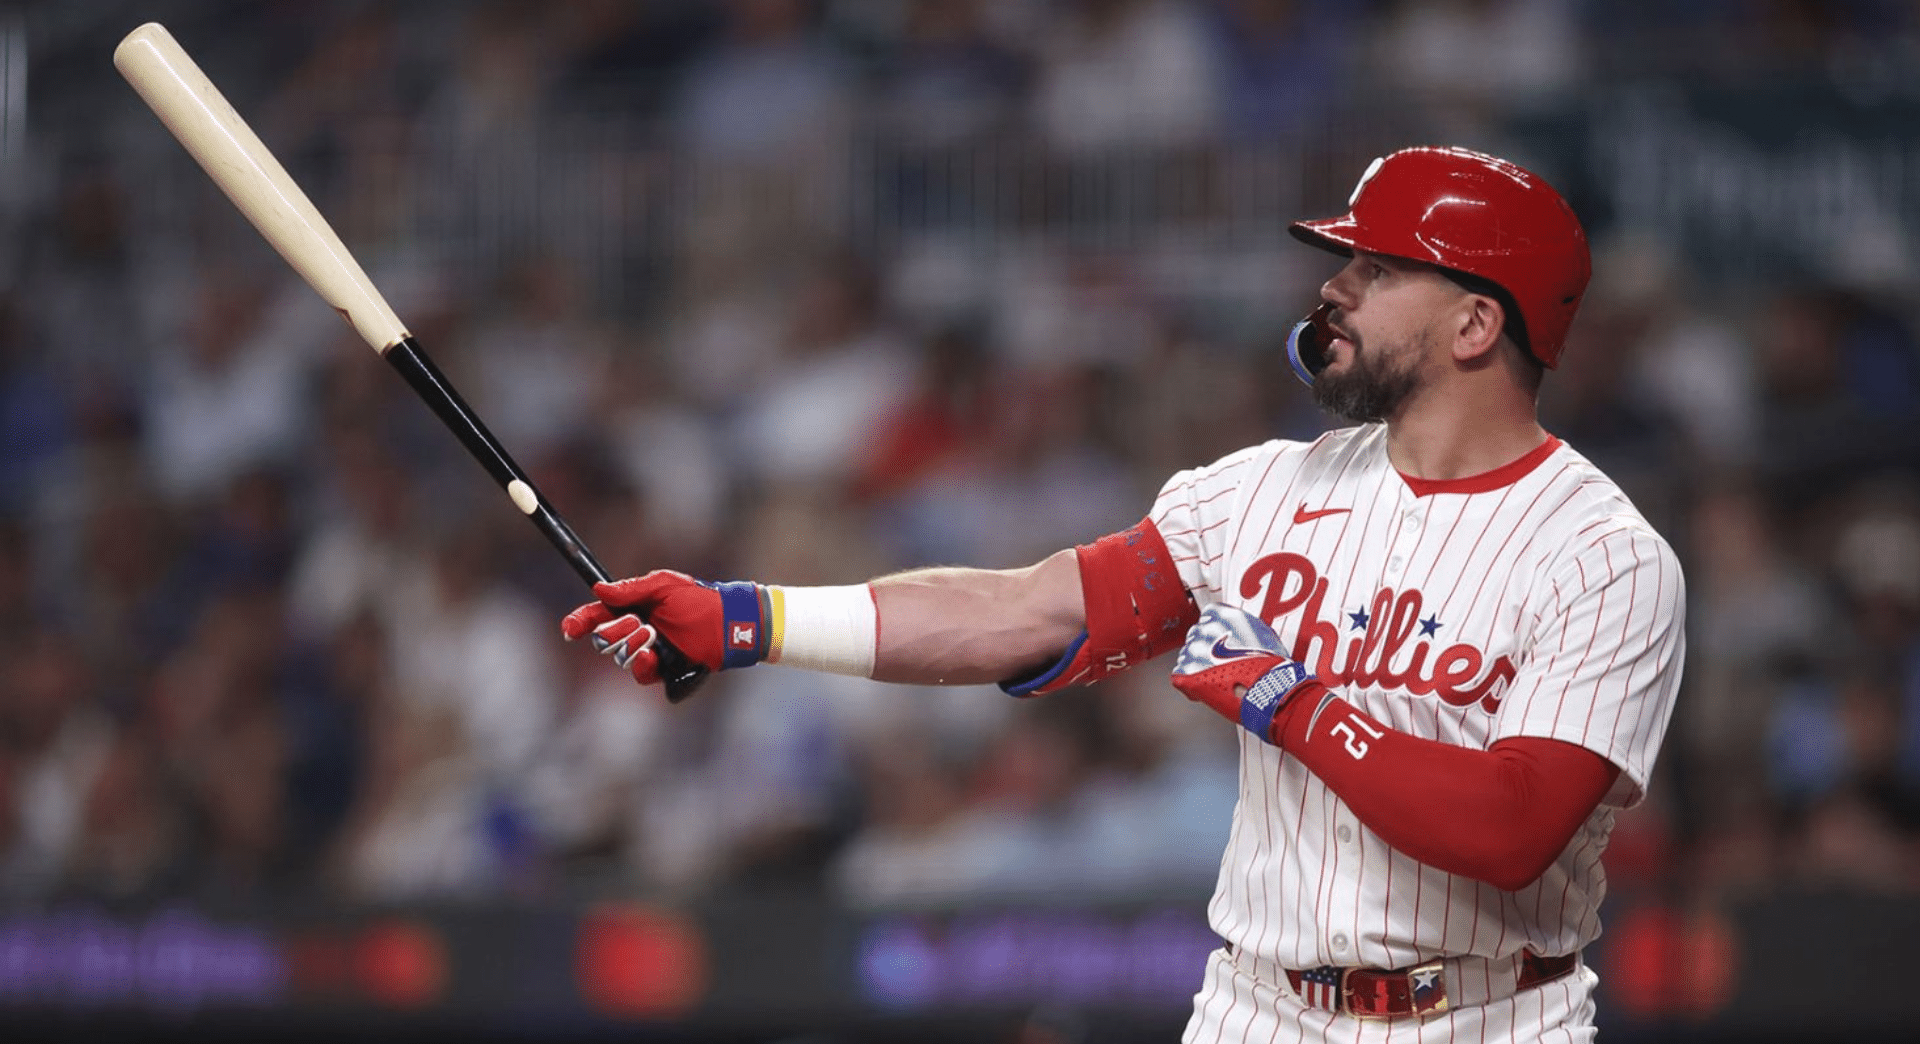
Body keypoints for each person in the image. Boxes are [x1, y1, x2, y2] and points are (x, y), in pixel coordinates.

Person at [561, 146, 1686, 1041]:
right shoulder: (1259, 494)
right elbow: (1027, 611)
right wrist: (751, 620)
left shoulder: (1602, 557)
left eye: (1377, 271)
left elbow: (1512, 829)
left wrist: (1296, 708)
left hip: (1492, 1020)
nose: (1334, 288)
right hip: (1258, 1010)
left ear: (1477, 324)